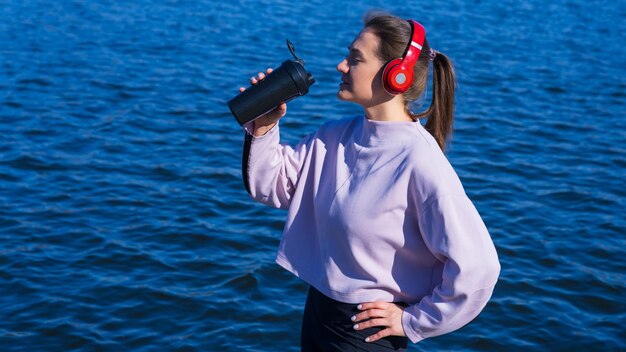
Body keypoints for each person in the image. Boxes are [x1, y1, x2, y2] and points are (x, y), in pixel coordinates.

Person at [237, 11, 500, 352]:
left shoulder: (420, 161)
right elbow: (271, 185)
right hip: (318, 314)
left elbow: (479, 268)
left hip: (366, 334)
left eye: (355, 59)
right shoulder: (333, 136)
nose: (341, 66)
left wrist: (412, 321)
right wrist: (264, 127)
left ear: (397, 76)